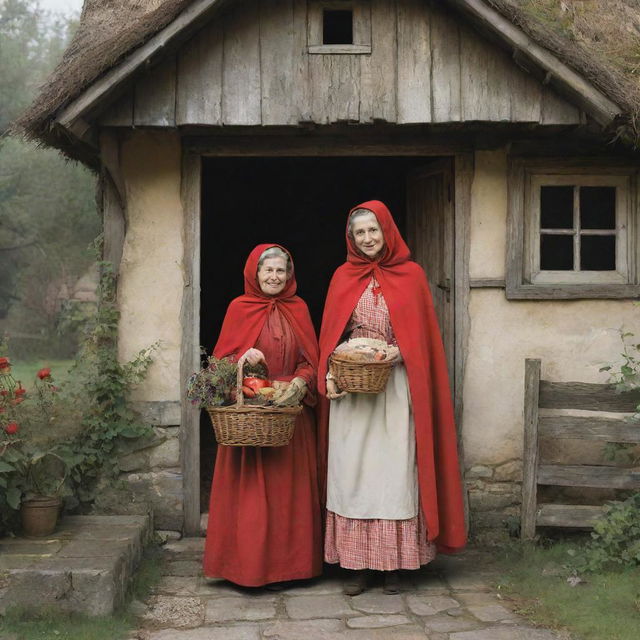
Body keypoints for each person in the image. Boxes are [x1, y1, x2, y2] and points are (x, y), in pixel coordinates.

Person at [318, 201, 466, 596]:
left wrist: (395, 352)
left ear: (387, 231)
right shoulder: (342, 277)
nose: (367, 239)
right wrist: (332, 371)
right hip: (355, 391)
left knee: (394, 471)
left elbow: (421, 337)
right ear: (351, 239)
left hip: (397, 388)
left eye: (373, 231)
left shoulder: (411, 274)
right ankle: (359, 566)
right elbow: (332, 334)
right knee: (354, 474)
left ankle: (395, 565)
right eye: (359, 233)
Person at [203, 244, 322, 588]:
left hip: (289, 418)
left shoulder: (298, 309)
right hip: (252, 415)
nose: (274, 277)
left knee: (289, 494)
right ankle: (247, 567)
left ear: (289, 275)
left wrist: (300, 382)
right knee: (252, 495)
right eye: (267, 270)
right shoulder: (239, 308)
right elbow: (220, 364)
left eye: (280, 271)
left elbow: (310, 359)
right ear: (254, 274)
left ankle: (293, 567)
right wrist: (242, 359)